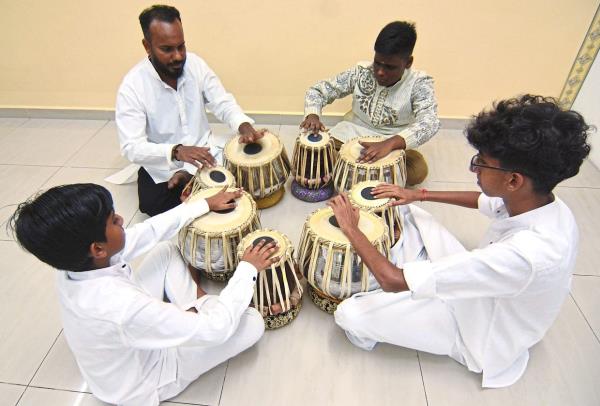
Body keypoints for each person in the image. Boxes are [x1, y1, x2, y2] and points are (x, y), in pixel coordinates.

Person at [327, 95, 591, 387]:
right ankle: (420, 277)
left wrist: (352, 229)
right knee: (406, 208)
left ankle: (407, 292)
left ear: (513, 180)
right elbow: (483, 201)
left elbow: (390, 280)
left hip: (478, 332)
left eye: (482, 163)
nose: (475, 168)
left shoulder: (527, 254)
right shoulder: (543, 203)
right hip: (484, 284)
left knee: (349, 315)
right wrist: (419, 194)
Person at [9, 183, 279, 405]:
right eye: (113, 221)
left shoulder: (73, 262)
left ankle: (194, 307)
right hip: (147, 380)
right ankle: (199, 307)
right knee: (251, 322)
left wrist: (203, 205)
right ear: (98, 248)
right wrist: (247, 268)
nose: (122, 220)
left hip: (123, 349)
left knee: (164, 250)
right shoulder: (119, 307)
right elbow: (216, 331)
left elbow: (148, 232)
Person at [115, 5, 265, 216]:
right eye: (167, 49)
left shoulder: (195, 65)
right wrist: (176, 151)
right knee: (151, 204)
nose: (178, 56)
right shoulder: (133, 86)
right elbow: (131, 146)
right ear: (147, 46)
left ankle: (197, 183)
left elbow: (221, 101)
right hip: (165, 162)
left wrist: (244, 125)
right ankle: (198, 185)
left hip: (206, 153)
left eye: (181, 46)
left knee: (254, 171)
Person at [301, 21, 440, 186]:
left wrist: (388, 144)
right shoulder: (361, 72)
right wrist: (312, 114)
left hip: (392, 141)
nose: (380, 72)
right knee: (314, 152)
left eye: (390, 67)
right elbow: (318, 90)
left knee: (417, 172)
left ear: (408, 62)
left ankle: (351, 171)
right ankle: (372, 174)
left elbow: (430, 122)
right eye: (378, 63)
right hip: (351, 134)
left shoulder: (419, 83)